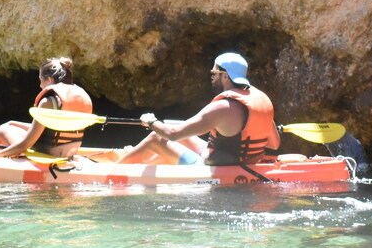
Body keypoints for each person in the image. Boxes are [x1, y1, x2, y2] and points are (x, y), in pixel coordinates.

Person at [115, 52, 280, 166]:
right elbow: (274, 144)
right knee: (179, 134)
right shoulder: (261, 100)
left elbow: (173, 135)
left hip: (217, 167)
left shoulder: (221, 107)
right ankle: (139, 160)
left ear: (226, 76)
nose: (212, 77)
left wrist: (151, 121)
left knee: (156, 137)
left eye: (214, 72)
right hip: (244, 162)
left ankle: (113, 170)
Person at [0, 57, 93, 160]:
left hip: (48, 154)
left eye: (41, 80)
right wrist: (13, 123)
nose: (40, 86)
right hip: (69, 152)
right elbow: (52, 130)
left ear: (49, 80)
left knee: (3, 130)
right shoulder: (79, 97)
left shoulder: (48, 103)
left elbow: (25, 144)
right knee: (9, 125)